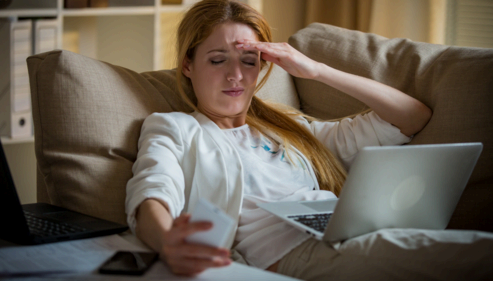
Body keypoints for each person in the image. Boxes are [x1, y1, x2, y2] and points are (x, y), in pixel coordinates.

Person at [125, 0, 493, 280]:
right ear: (188, 65)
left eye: (249, 60)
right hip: (292, 254)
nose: (236, 76)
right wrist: (168, 241)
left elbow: (412, 117)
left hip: (343, 231)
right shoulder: (175, 128)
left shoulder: (292, 130)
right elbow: (152, 190)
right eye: (218, 60)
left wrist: (318, 71)